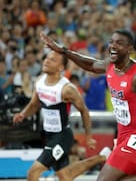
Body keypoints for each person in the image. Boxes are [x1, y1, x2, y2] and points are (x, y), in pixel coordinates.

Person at [40, 29, 136, 181]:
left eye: (119, 43)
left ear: (129, 49)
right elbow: (90, 64)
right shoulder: (110, 66)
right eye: (112, 42)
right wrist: (63, 51)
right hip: (122, 134)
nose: (113, 46)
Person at [12, 51, 99, 181]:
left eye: (52, 60)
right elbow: (34, 105)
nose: (47, 61)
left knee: (33, 173)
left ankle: (102, 157)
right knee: (65, 176)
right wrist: (23, 114)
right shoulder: (40, 81)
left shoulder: (66, 89)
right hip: (48, 136)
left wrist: (88, 137)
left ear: (61, 68)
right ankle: (102, 157)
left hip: (62, 137)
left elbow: (84, 111)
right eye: (47, 58)